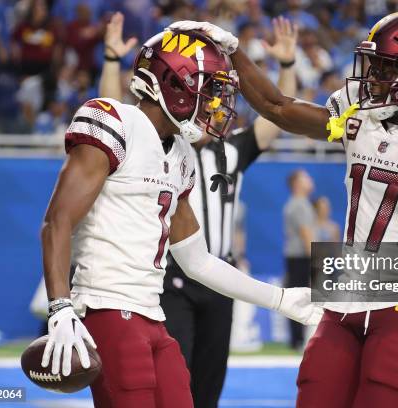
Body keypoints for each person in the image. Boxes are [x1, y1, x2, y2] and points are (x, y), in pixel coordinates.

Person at [171, 10, 398, 406]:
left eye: (385, 67)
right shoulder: (359, 114)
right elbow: (277, 107)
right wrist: (235, 52)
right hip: (344, 294)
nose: (372, 75)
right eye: (373, 64)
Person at [39, 27, 321, 408]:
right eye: (210, 92)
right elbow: (57, 221)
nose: (217, 106)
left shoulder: (182, 155)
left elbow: (199, 260)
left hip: (152, 316)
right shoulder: (113, 122)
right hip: (108, 309)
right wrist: (60, 308)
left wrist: (281, 299)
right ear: (174, 85)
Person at [98, 13, 300, 408]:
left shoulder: (230, 149)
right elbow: (120, 115)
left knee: (209, 386)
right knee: (171, 380)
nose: (214, 109)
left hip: (217, 273)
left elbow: (278, 117)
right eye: (206, 98)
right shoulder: (153, 143)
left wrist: (288, 66)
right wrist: (110, 60)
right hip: (170, 275)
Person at [283, 169, 316, 350]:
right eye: (306, 177)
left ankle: (298, 339)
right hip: (300, 257)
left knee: (298, 296)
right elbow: (306, 234)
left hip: (296, 256)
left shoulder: (299, 203)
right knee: (301, 297)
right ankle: (298, 340)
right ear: (297, 184)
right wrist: (315, 258)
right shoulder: (300, 204)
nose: (310, 180)